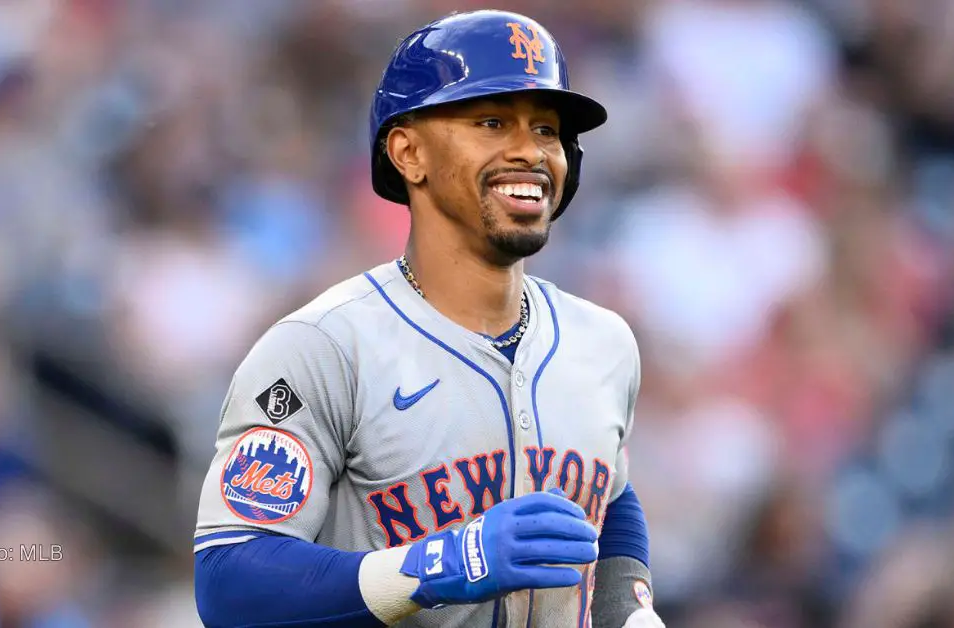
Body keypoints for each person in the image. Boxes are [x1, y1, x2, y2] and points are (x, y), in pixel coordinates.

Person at [192, 10, 662, 627]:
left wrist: (629, 612)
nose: (529, 151)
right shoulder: (325, 346)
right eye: (492, 122)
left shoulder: (604, 341)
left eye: (546, 130)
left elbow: (613, 499)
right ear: (409, 152)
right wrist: (442, 564)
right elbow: (229, 578)